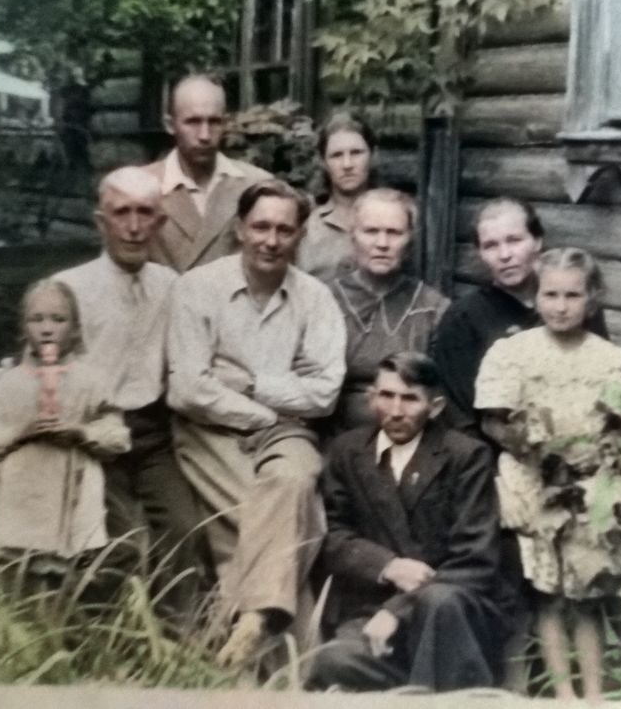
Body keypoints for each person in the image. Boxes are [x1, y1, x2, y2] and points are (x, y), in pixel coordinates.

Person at [166, 179, 347, 667]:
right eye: (261, 227)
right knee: (284, 519)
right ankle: (293, 664)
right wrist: (270, 406)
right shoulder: (197, 289)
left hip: (287, 433)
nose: (271, 240)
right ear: (240, 229)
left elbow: (324, 393)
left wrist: (249, 383)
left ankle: (242, 629)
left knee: (295, 478)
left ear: (300, 236)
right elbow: (188, 390)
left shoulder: (315, 299)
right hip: (208, 431)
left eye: (284, 230)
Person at [475, 248, 621, 702]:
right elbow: (491, 421)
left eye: (572, 295)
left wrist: (603, 463)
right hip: (533, 484)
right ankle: (563, 694)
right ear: (535, 295)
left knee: (585, 595)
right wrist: (526, 443)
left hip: (588, 485)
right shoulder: (513, 353)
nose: (560, 306)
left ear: (592, 298)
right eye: (551, 295)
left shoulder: (611, 359)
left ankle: (594, 694)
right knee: (547, 595)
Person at [309, 352, 510, 692]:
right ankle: (429, 686)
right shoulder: (347, 451)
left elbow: (476, 559)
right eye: (386, 396)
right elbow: (334, 536)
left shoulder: (466, 455)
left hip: (454, 608)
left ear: (436, 407)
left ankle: (440, 688)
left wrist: (398, 610)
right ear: (371, 397)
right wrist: (387, 566)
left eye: (410, 399)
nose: (396, 411)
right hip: (373, 610)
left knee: (439, 603)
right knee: (333, 660)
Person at [53, 166, 200, 625]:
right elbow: (42, 367)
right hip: (93, 434)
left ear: (160, 222)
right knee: (120, 544)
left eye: (144, 213)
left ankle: (174, 639)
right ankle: (102, 641)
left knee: (184, 529)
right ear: (102, 222)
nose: (134, 227)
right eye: (121, 213)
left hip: (153, 433)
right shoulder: (70, 289)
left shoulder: (170, 286)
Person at [0, 279, 130, 582]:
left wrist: (81, 433)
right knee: (22, 581)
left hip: (76, 496)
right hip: (23, 496)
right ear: (23, 326)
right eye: (37, 319)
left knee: (77, 580)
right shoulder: (6, 384)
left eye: (58, 320)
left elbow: (117, 436)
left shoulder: (92, 381)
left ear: (75, 328)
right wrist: (21, 433)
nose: (47, 329)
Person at [430, 198, 608, 435]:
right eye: (491, 245)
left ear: (537, 241)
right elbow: (460, 417)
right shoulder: (463, 318)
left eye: (514, 240)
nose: (504, 255)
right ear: (480, 253)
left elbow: (603, 381)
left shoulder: (575, 307)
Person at [327, 188, 449, 432]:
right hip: (335, 433)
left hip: (409, 431)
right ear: (353, 236)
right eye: (371, 231)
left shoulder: (433, 307)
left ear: (410, 241)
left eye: (394, 233)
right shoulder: (325, 300)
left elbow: (439, 392)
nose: (382, 243)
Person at [143, 74, 271, 272]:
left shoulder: (257, 186)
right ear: (170, 125)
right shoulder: (141, 187)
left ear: (226, 123)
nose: (204, 135)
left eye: (214, 122)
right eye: (193, 122)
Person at [297, 111, 377, 282]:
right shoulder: (307, 228)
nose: (347, 164)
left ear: (372, 155)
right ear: (323, 162)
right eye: (337, 155)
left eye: (356, 153)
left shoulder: (394, 221)